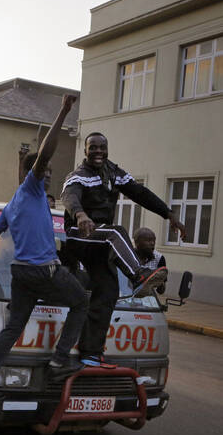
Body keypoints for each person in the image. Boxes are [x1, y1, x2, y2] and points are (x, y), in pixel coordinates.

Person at [0, 95, 89, 398]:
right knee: (81, 302)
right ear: (29, 173)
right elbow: (45, 154)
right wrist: (62, 111)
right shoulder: (31, 188)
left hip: (22, 274)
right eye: (43, 174)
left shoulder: (11, 206)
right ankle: (60, 358)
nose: (47, 179)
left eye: (49, 177)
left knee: (14, 327)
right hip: (42, 271)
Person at [61, 132, 186, 368]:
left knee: (107, 292)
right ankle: (139, 276)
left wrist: (168, 214)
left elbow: (140, 194)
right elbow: (70, 197)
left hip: (100, 243)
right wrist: (80, 215)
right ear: (85, 151)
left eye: (102, 147)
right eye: (93, 148)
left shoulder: (114, 173)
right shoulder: (78, 176)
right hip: (80, 236)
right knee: (116, 232)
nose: (98, 151)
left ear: (107, 149)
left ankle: (90, 352)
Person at [133, 227, 167, 295]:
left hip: (148, 299)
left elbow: (161, 291)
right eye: (148, 240)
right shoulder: (128, 255)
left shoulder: (159, 258)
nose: (152, 243)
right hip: (126, 297)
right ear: (137, 242)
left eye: (154, 240)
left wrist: (159, 282)